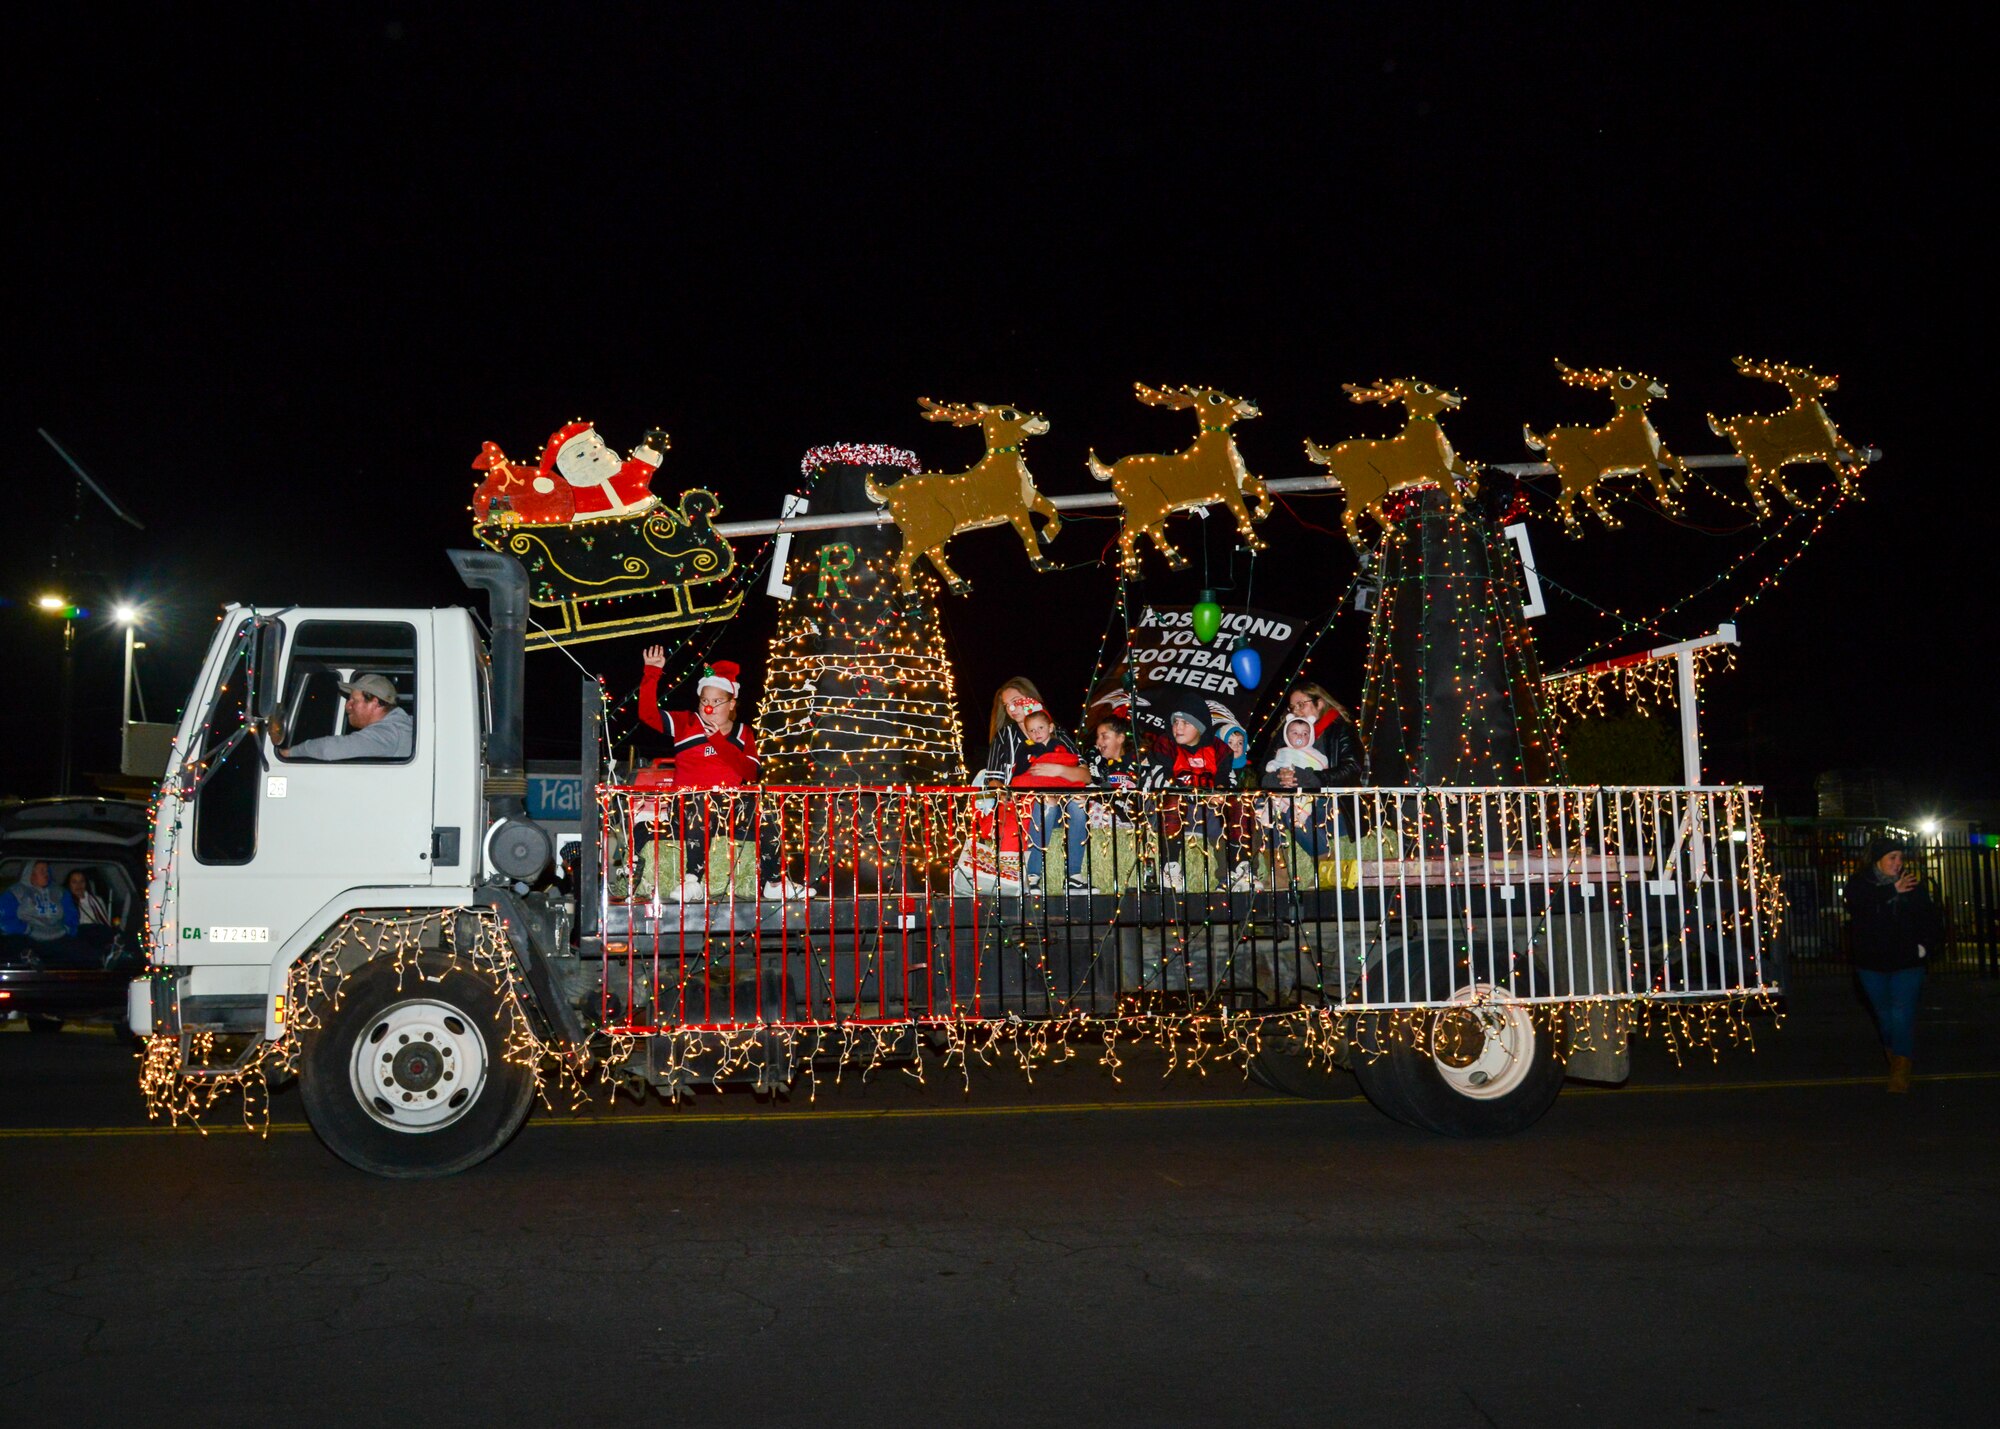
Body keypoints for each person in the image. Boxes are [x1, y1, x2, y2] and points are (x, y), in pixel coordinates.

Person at [637, 649, 805, 902]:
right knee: (701, 801)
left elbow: (750, 772)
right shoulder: (687, 723)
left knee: (766, 812)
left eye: (717, 701)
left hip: (731, 812)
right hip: (688, 808)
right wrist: (652, 672)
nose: (709, 706)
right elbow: (648, 714)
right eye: (705, 699)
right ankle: (692, 880)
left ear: (732, 704)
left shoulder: (743, 733)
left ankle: (773, 882)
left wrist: (716, 740)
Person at [1844, 836, 1943, 1093]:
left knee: (1902, 1013)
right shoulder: (1860, 883)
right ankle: (1895, 1054)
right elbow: (1858, 906)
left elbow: (1930, 918)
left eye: (1900, 857)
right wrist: (1891, 891)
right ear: (1879, 860)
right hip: (1871, 963)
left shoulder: (1912, 884)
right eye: (1892, 858)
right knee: (1885, 1017)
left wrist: (1924, 947)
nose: (1898, 863)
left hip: (1907, 962)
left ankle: (1900, 1071)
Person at [1008, 704, 1090, 894]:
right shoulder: (1025, 750)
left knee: (1078, 804)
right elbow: (1019, 777)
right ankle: (1033, 875)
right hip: (1038, 802)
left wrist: (1059, 770)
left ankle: (1074, 875)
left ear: (1051, 728)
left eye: (1041, 728)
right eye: (1032, 730)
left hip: (1064, 797)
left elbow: (1082, 773)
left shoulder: (1063, 746)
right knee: (1046, 801)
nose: (1037, 733)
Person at [977, 678, 1087, 790]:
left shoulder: (1056, 732)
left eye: (1016, 701)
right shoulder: (1004, 736)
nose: (1011, 709)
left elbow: (1086, 776)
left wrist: (1058, 770)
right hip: (1021, 802)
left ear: (1031, 698)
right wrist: (1009, 797)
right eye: (1006, 705)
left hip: (1061, 799)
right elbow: (993, 781)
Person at [281, 674, 414, 761]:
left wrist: (289, 753)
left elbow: (329, 749)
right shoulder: (401, 726)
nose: (347, 706)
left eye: (354, 701)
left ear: (374, 703)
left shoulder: (389, 732)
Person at [1, 861, 77, 949]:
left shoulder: (60, 892)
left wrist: (66, 929)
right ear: (31, 874)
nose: (46, 874)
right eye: (42, 871)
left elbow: (71, 915)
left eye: (47, 870)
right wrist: (27, 929)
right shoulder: (16, 892)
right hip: (26, 939)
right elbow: (5, 919)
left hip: (58, 938)